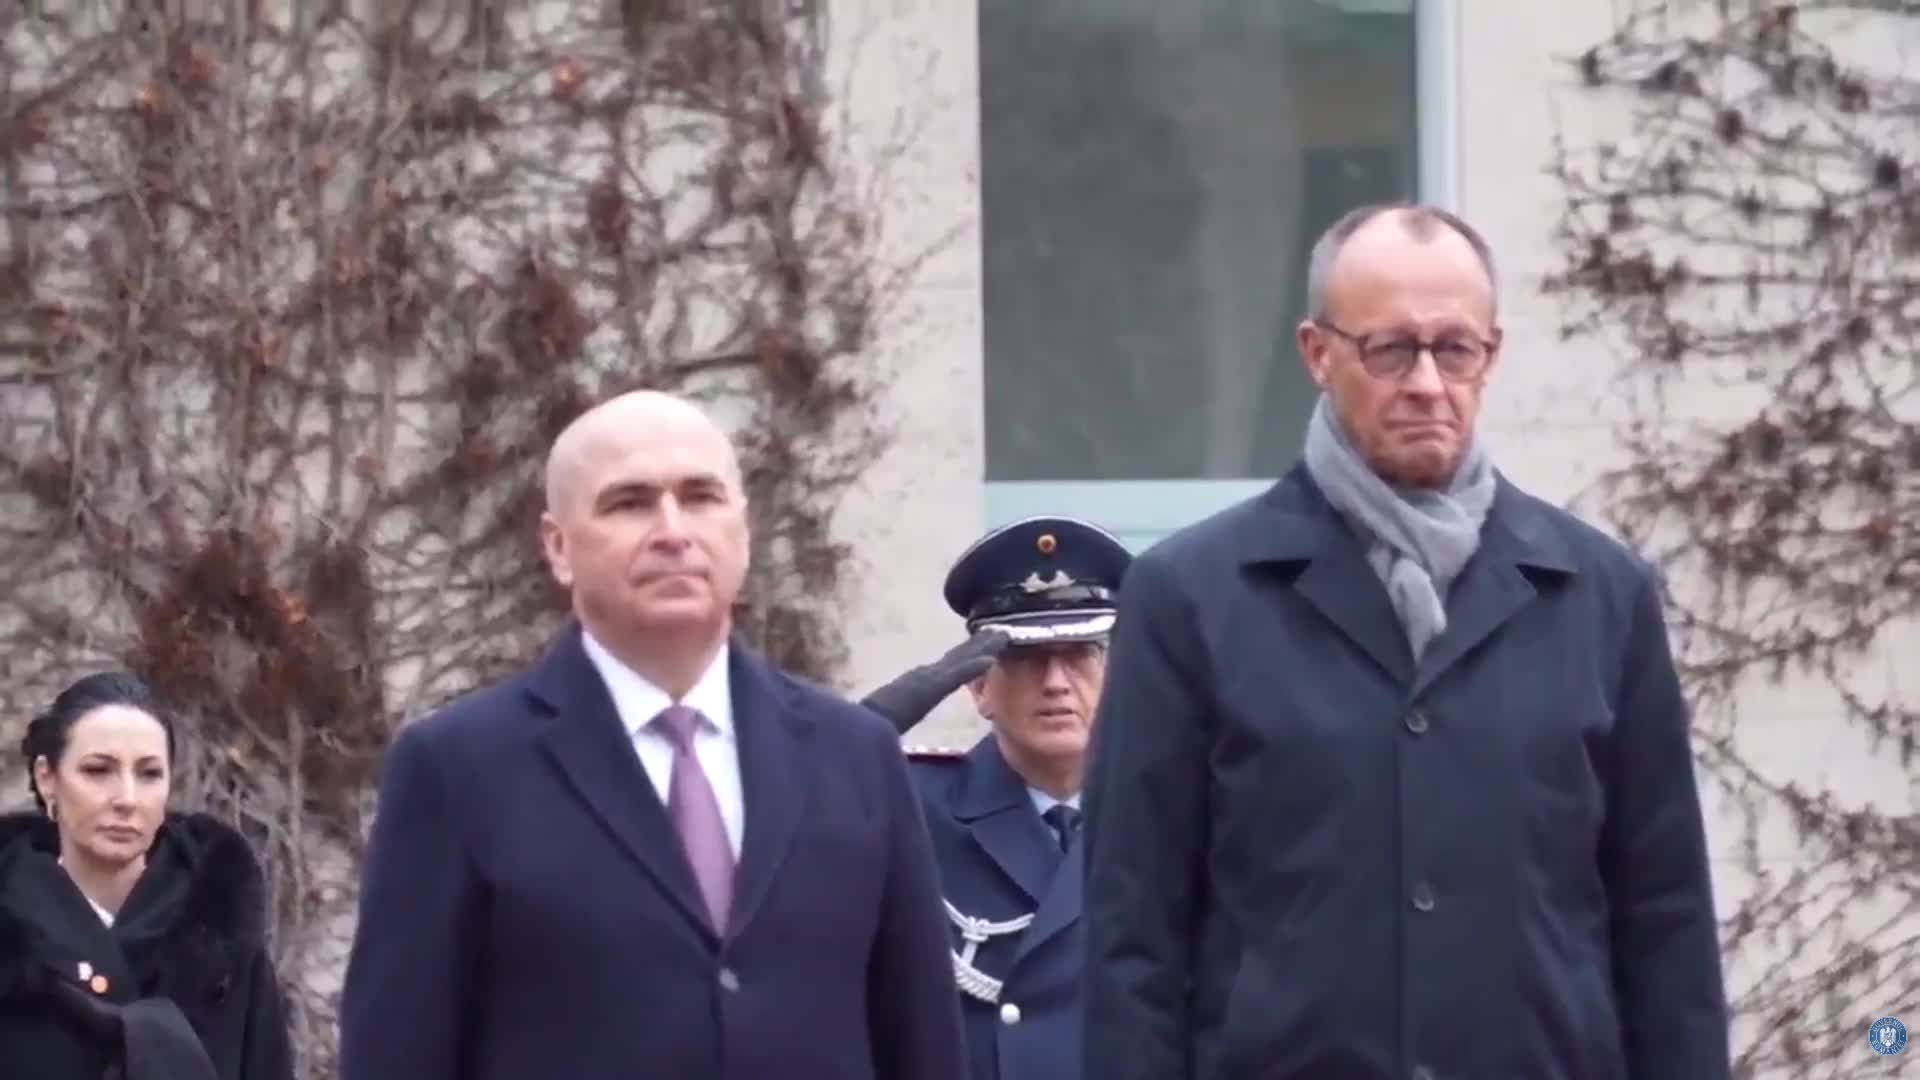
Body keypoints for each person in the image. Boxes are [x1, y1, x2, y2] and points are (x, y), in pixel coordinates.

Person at [1083, 203, 1730, 1079]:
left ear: (1491, 355)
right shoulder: (1190, 598)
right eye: (1390, 349)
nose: (1427, 383)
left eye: (1455, 349)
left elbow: (1667, 925)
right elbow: (1132, 940)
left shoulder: (1600, 596)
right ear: (1318, 353)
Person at [337, 390, 970, 1080]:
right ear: (558, 546)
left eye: (700, 497)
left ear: (743, 529)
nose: (673, 531)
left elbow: (922, 1043)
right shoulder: (458, 770)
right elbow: (399, 1053)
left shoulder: (855, 756)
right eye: (629, 503)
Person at [884, 516, 1130, 1080]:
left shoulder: (1176, 814)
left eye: (1080, 653)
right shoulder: (908, 807)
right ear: (978, 685)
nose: (1056, 682)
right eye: (1025, 657)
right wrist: (865, 730)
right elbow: (784, 811)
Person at [0, 672, 294, 1080]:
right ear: (46, 777)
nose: (127, 799)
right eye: (98, 770)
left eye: (149, 774)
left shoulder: (220, 941)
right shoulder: (12, 932)